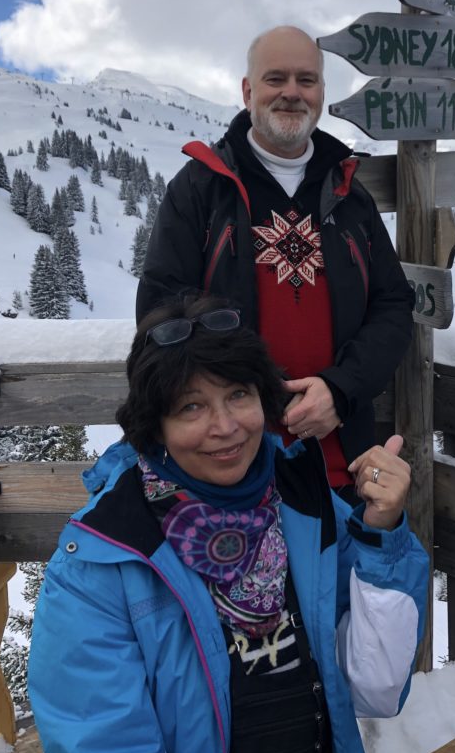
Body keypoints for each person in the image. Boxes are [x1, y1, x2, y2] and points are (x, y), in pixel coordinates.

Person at [28, 298, 428, 753]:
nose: (225, 427)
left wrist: (382, 533)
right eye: (191, 406)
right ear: (155, 426)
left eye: (239, 394)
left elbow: (377, 689)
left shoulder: (303, 502)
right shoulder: (101, 562)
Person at [136, 26, 414, 499]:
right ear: (248, 91)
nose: (292, 93)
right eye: (275, 79)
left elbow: (392, 305)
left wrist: (340, 390)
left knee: (341, 574)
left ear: (322, 92)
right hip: (232, 466)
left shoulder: (349, 193)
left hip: (342, 465)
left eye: (306, 80)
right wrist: (247, 395)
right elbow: (161, 314)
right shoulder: (203, 187)